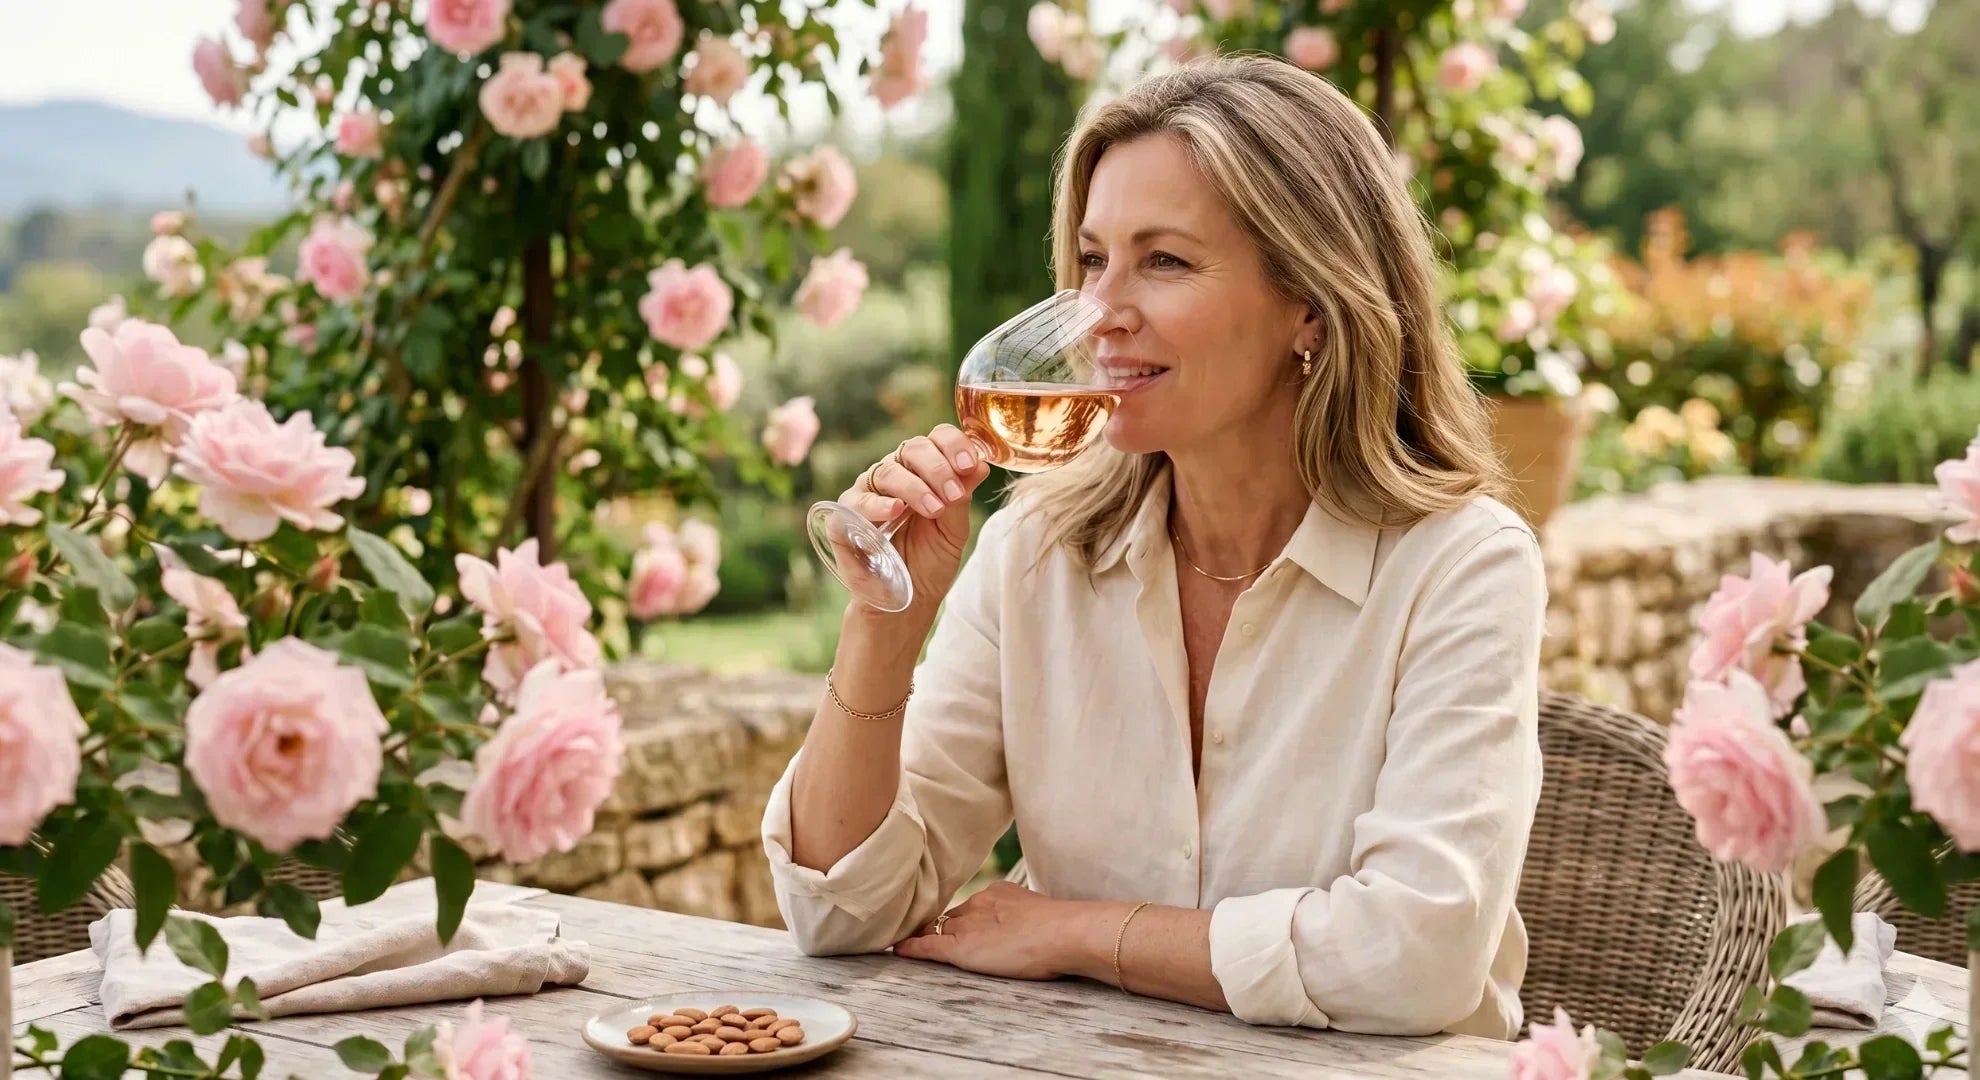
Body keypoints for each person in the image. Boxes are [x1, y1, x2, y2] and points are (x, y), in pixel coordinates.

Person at [760, 55, 1547, 1040]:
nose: (1101, 314)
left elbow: (1415, 958)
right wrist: (885, 626)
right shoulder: (1037, 552)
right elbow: (841, 911)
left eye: (1164, 261)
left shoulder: (1461, 566)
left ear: (1309, 302)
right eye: (1092, 261)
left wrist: (1079, 932)